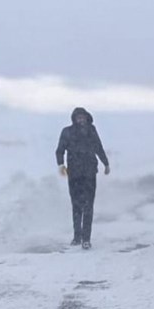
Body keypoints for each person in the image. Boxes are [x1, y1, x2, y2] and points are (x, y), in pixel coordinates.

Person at [55, 107, 110, 249]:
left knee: (88, 206)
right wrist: (61, 164)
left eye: (83, 117)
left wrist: (106, 163)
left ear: (86, 118)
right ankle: (77, 237)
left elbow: (98, 147)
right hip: (74, 174)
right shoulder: (67, 132)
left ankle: (86, 239)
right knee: (76, 206)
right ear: (73, 119)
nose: (80, 120)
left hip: (90, 173)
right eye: (78, 117)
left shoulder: (91, 131)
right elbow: (60, 149)